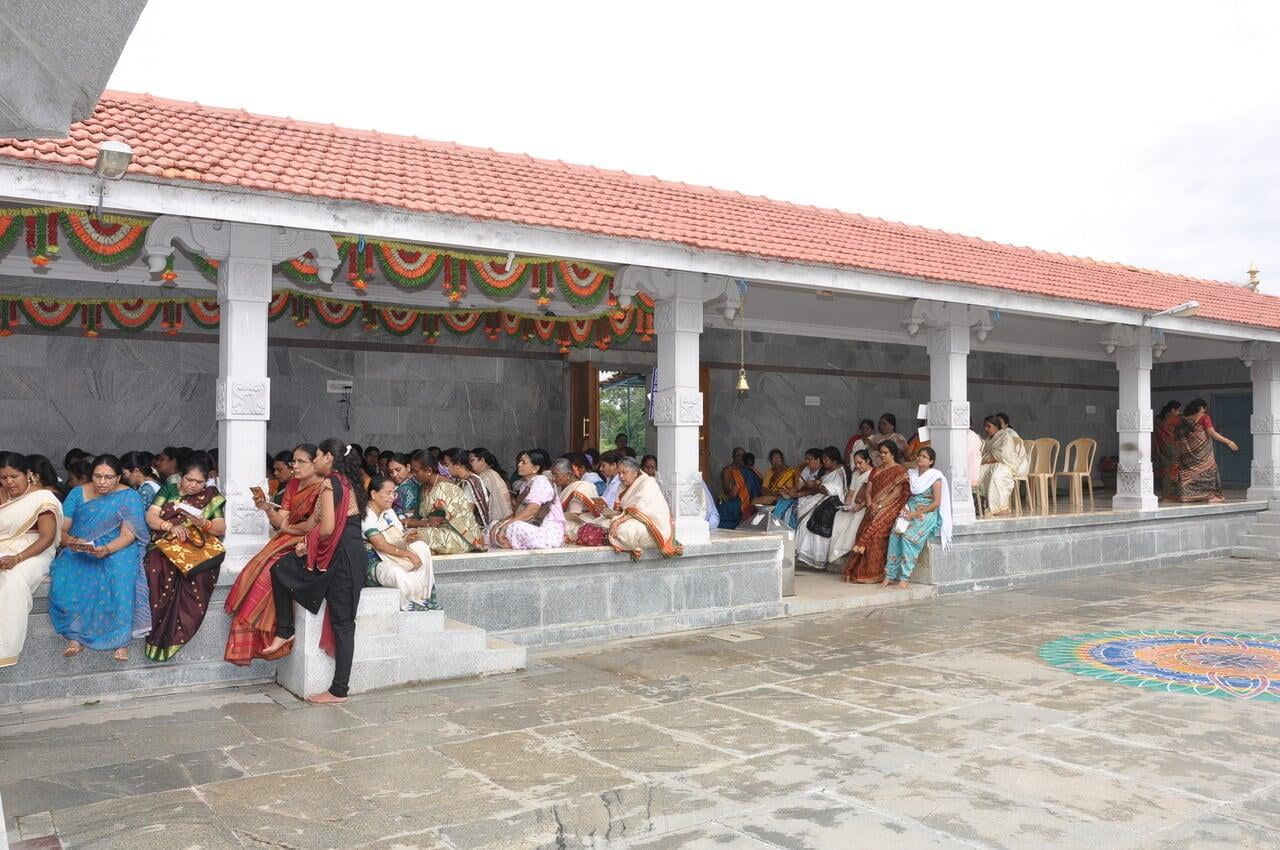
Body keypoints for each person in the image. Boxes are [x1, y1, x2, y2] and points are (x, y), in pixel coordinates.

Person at [264, 438, 369, 704]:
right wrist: (287, 529)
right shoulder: (348, 482)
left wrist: (307, 543)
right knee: (282, 569)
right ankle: (285, 630)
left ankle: (338, 690)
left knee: (342, 623)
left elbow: (326, 529)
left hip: (341, 556)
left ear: (328, 458)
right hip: (349, 554)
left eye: (319, 455)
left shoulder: (330, 483)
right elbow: (313, 522)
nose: (316, 460)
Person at [224, 443, 329, 665]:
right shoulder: (293, 485)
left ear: (315, 463)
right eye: (293, 461)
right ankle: (257, 641)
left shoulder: (325, 488)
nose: (295, 466)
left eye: (301, 462)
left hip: (310, 543)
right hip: (287, 538)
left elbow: (313, 526)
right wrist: (269, 509)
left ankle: (280, 633)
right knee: (256, 568)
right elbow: (282, 520)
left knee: (270, 571)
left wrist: (289, 529)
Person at [48, 454, 149, 661]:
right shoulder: (77, 493)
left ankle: (120, 641)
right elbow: (62, 530)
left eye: (108, 477)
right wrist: (75, 542)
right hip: (81, 546)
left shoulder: (129, 496)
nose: (102, 482)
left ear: (118, 477)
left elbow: (128, 535)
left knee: (120, 574)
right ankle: (75, 636)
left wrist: (107, 549)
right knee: (68, 570)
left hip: (118, 547)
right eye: (97, 476)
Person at [142, 456, 226, 662]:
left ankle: (177, 632)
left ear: (206, 482)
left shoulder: (211, 496)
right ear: (181, 477)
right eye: (189, 480)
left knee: (199, 574)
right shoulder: (168, 490)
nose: (194, 485)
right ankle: (156, 633)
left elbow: (220, 528)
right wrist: (169, 526)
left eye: (199, 482)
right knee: (156, 568)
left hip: (195, 547)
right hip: (165, 542)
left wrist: (203, 523)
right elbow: (151, 516)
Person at [0, 453, 63, 668]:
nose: (9, 482)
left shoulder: (42, 499)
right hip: (4, 547)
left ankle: (5, 649)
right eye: (3, 477)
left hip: (34, 551)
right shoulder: (2, 494)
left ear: (28, 474)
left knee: (12, 578)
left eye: (14, 476)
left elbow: (46, 538)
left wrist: (16, 558)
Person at [363, 476, 434, 611]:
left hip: (396, 556)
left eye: (394, 493)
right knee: (397, 573)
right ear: (373, 494)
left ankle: (425, 596)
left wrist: (408, 536)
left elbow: (400, 535)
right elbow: (380, 545)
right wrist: (409, 555)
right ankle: (409, 605)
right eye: (388, 493)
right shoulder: (366, 515)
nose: (392, 497)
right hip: (375, 562)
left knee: (421, 547)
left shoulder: (389, 512)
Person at [844, 442, 911, 583]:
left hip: (891, 506)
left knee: (877, 535)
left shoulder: (899, 471)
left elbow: (896, 493)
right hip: (872, 506)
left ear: (893, 454)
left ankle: (875, 573)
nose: (882, 455)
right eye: (881, 452)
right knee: (861, 532)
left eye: (885, 453)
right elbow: (868, 491)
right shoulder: (875, 470)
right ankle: (858, 572)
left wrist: (880, 506)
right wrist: (870, 504)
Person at [884, 447, 952, 587]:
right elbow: (905, 494)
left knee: (908, 537)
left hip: (927, 512)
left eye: (924, 457)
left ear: (931, 461)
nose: (920, 458)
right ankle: (890, 575)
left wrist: (916, 514)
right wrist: (905, 508)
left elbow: (936, 503)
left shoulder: (935, 477)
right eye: (919, 455)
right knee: (895, 534)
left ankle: (905, 577)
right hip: (910, 508)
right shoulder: (912, 474)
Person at [405, 453, 485, 554]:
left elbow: (432, 523)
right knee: (408, 536)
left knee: (416, 537)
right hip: (436, 531)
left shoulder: (445, 487)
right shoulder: (423, 487)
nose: (412, 474)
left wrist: (406, 523)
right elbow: (417, 517)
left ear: (428, 471)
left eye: (416, 471)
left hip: (459, 536)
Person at [606, 456, 682, 560]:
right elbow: (620, 510)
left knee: (625, 531)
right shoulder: (622, 485)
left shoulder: (648, 483)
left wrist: (617, 522)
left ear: (635, 472)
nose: (621, 476)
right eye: (619, 473)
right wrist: (610, 515)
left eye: (624, 472)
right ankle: (631, 545)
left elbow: (640, 511)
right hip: (632, 519)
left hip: (652, 524)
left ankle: (634, 547)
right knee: (604, 522)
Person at [492, 449, 567, 550]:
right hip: (532, 527)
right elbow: (518, 513)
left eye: (523, 462)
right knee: (494, 524)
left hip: (547, 533)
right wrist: (502, 523)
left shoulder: (541, 482)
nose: (519, 465)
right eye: (520, 461)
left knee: (514, 526)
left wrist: (506, 525)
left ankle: (509, 543)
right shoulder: (525, 485)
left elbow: (532, 511)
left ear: (535, 468)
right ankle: (507, 542)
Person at [1170, 398, 1237, 503]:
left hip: (1188, 455)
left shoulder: (1183, 421)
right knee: (1209, 470)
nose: (1205, 410)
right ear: (1200, 407)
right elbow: (1212, 433)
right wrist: (1228, 442)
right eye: (1204, 408)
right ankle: (1211, 495)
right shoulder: (1204, 418)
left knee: (1189, 473)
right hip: (1203, 453)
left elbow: (1177, 437)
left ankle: (1187, 496)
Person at [794, 447, 850, 568]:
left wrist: (819, 486)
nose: (824, 462)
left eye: (826, 459)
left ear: (834, 460)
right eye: (823, 459)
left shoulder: (841, 471)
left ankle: (818, 557)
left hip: (835, 499)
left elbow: (837, 489)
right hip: (822, 497)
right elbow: (819, 487)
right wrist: (816, 485)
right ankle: (805, 554)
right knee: (803, 520)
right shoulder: (825, 470)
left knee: (819, 517)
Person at [977, 415, 1029, 516]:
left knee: (997, 475)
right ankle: (980, 505)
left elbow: (1002, 455)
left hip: (1007, 465)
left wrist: (987, 460)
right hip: (992, 464)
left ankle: (1001, 507)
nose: (986, 429)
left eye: (988, 426)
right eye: (985, 426)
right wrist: (985, 461)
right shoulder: (988, 440)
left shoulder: (1005, 437)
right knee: (980, 472)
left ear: (996, 426)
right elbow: (985, 455)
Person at [828, 449, 873, 565]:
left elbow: (871, 494)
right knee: (839, 516)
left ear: (868, 461)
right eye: (856, 463)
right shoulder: (856, 474)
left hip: (863, 506)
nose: (857, 466)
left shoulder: (873, 474)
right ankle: (836, 552)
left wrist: (859, 507)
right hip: (852, 505)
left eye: (860, 463)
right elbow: (851, 492)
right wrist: (846, 505)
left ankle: (844, 551)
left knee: (855, 520)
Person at [553, 458, 609, 544]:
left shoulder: (581, 487)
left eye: (556, 475)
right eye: (552, 475)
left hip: (583, 524)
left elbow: (574, 515)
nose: (553, 478)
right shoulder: (560, 488)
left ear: (568, 474)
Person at [443, 448, 491, 530]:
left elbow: (468, 514)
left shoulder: (471, 482)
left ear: (457, 464)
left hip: (473, 529)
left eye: (447, 465)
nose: (445, 468)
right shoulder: (460, 480)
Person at [469, 448, 513, 524]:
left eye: (472, 460)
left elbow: (483, 502)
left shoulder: (485, 476)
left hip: (496, 520)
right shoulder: (492, 473)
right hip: (505, 518)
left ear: (482, 460)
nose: (470, 464)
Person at [788, 448, 827, 530]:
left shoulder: (823, 471)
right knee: (783, 503)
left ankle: (796, 530)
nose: (807, 461)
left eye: (810, 459)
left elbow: (817, 490)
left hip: (816, 497)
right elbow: (798, 485)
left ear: (818, 459)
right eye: (806, 459)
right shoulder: (806, 469)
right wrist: (790, 491)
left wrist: (798, 494)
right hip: (803, 495)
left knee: (795, 509)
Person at [1153, 400, 1183, 500]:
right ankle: (1171, 494)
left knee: (1166, 470)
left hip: (1161, 448)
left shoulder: (1157, 419)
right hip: (1172, 448)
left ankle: (1166, 493)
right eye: (1178, 410)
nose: (1179, 412)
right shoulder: (1175, 419)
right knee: (1174, 469)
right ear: (1173, 410)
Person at [388, 452, 419, 518]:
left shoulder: (407, 488)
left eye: (398, 470)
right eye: (391, 472)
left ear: (408, 467)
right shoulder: (414, 482)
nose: (394, 474)